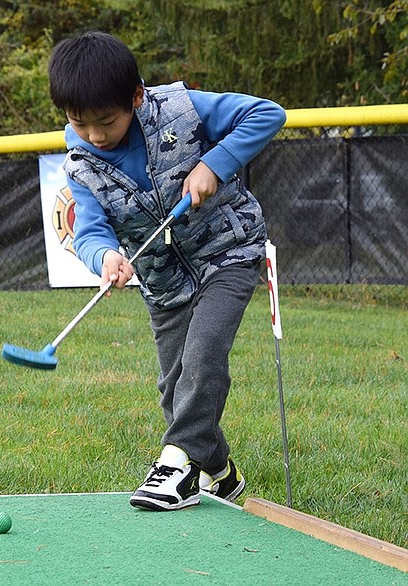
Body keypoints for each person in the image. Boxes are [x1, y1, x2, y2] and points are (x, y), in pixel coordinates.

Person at [48, 31, 286, 511]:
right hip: (163, 281)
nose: (94, 135)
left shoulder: (181, 109)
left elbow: (268, 113)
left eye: (105, 122)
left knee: (203, 359)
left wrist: (215, 164)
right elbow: (91, 232)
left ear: (135, 97)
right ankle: (220, 473)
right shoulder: (81, 165)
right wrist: (104, 258)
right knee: (175, 390)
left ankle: (175, 465)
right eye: (79, 122)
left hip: (228, 252)